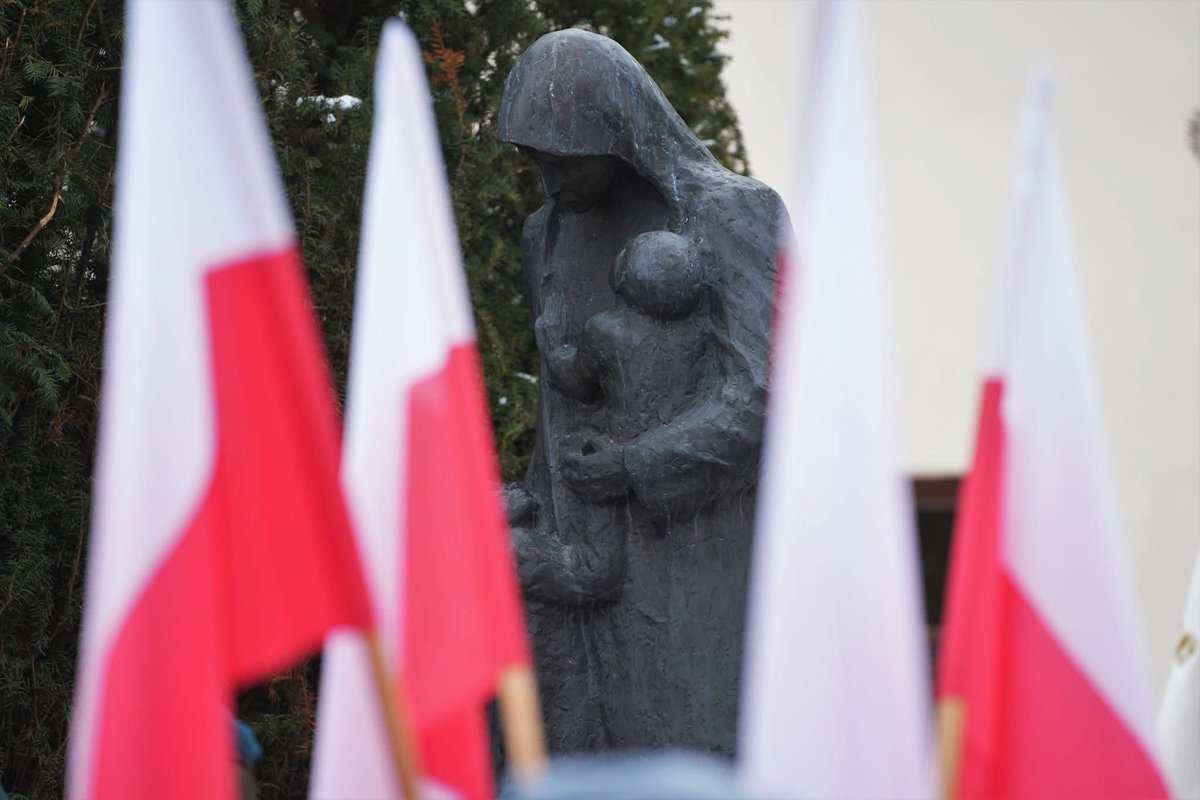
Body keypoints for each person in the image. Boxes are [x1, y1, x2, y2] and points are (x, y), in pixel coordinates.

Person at [499, 29, 784, 755]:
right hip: (578, 555)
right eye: (534, 162)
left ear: (618, 136)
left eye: (561, 160)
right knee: (570, 750)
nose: (548, 182)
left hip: (693, 567)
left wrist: (636, 463)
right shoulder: (547, 233)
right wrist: (533, 504)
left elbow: (764, 391)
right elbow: (564, 404)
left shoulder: (732, 215)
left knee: (682, 754)